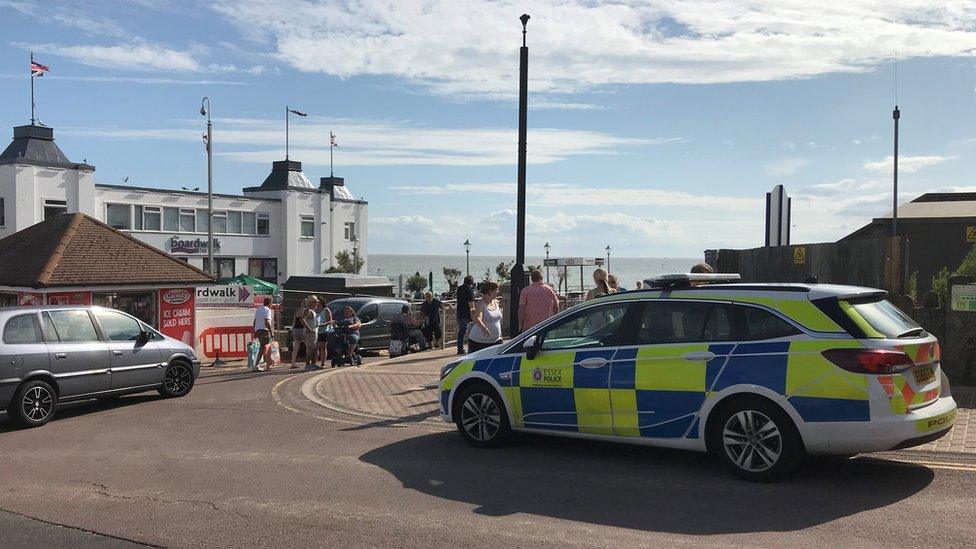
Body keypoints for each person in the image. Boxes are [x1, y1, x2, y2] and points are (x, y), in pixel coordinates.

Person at [468, 281, 503, 352]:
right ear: (489, 291)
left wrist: (500, 336)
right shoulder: (481, 303)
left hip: (496, 340)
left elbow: (497, 321)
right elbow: (477, 318)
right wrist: (484, 328)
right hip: (479, 342)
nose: (497, 292)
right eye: (496, 290)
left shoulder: (496, 302)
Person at [291, 296, 317, 369]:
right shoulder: (307, 310)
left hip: (296, 329)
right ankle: (308, 364)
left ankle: (293, 362)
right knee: (309, 348)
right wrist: (308, 328)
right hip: (303, 330)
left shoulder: (298, 311)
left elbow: (294, 321)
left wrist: (292, 329)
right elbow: (302, 320)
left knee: (296, 347)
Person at [455, 275, 476, 355]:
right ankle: (471, 348)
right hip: (467, 314)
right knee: (471, 332)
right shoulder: (469, 290)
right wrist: (473, 315)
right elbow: (471, 304)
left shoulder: (459, 289)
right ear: (471, 282)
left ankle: (459, 348)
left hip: (459, 312)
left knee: (461, 331)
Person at [252, 297, 274, 370]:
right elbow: (266, 322)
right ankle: (262, 364)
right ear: (269, 303)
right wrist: (271, 332)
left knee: (263, 347)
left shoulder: (259, 309)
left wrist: (254, 331)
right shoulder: (267, 310)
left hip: (258, 330)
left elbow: (255, 321)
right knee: (265, 348)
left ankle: (262, 363)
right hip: (264, 330)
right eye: (271, 303)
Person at [314, 300, 334, 369]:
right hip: (315, 331)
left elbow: (330, 321)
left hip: (323, 331)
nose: (316, 303)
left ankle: (322, 363)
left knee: (322, 347)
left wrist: (322, 324)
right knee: (315, 348)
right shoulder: (314, 310)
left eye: (317, 301)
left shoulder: (326, 310)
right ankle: (314, 363)